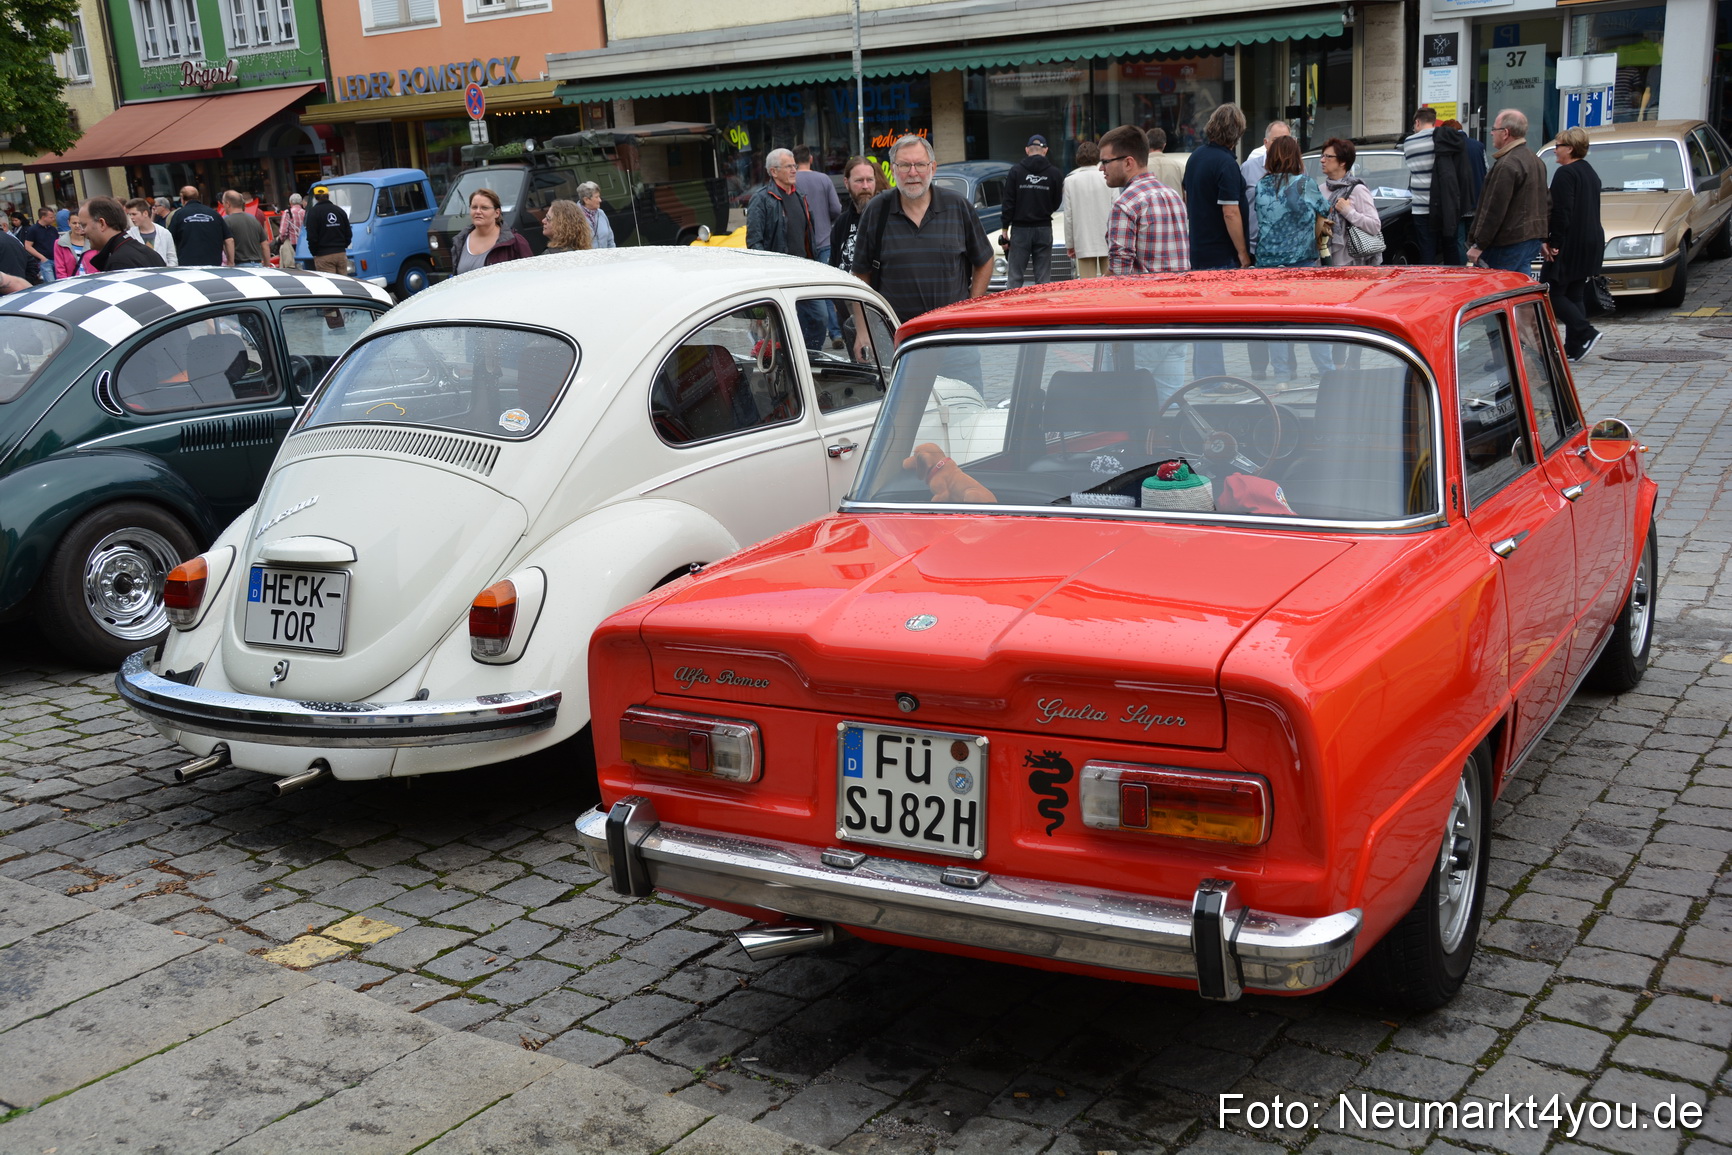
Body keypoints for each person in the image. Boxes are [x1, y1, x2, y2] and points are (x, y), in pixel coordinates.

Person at [851, 134, 993, 329]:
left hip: (953, 333)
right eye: (903, 165)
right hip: (898, 336)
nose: (912, 173)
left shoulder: (957, 207)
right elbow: (860, 274)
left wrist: (971, 308)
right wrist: (863, 331)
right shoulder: (876, 210)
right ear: (893, 170)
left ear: (932, 168)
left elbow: (984, 259)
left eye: (920, 164)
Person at [1543, 126, 1605, 361]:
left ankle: (1585, 331)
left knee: (1553, 292)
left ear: (1569, 148)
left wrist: (1553, 242)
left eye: (1558, 146)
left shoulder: (1565, 174)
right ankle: (1574, 346)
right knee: (1575, 292)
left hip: (1571, 241)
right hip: (1591, 240)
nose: (1555, 150)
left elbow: (1562, 212)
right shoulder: (1589, 171)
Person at [1467, 109, 1548, 273]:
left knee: (1494, 292)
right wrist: (1543, 237)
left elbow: (1494, 209)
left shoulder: (1507, 164)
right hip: (1529, 239)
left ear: (1505, 133)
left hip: (1508, 242)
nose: (1491, 133)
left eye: (1494, 129)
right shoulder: (1535, 160)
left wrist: (1479, 244)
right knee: (1518, 290)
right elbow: (1546, 201)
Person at [1101, 123, 1189, 275]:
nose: (1101, 168)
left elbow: (1119, 273)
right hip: (1181, 295)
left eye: (1105, 162)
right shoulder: (1174, 196)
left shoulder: (1125, 204)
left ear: (1128, 162)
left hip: (1143, 296)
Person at [1183, 103, 1252, 270]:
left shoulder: (1196, 156)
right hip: (1221, 256)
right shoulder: (1227, 164)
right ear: (1238, 132)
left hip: (1197, 250)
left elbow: (1186, 196)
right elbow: (1230, 212)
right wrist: (1243, 253)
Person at [1250, 137, 1328, 269]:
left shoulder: (1261, 184)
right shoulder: (1305, 183)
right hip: (1299, 259)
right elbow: (1325, 209)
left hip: (1266, 259)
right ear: (1296, 157)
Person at [1000, 133, 1064, 288]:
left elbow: (1008, 202)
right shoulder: (1054, 173)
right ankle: (1041, 309)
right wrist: (1044, 210)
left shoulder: (1016, 171)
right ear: (1045, 150)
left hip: (1020, 229)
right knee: (1043, 279)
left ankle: (1012, 309)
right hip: (1043, 228)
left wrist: (1004, 228)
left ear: (1027, 150)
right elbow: (1056, 202)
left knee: (1015, 276)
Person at [1318, 138, 1382, 267]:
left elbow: (1375, 226)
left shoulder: (1357, 190)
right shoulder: (1320, 189)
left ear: (1342, 162)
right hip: (1323, 258)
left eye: (1328, 156)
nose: (1322, 160)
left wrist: (1348, 212)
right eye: (1322, 155)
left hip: (1350, 262)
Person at [747, 148, 816, 259]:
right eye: (789, 167)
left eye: (795, 166)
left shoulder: (800, 195)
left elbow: (808, 237)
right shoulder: (761, 198)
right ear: (774, 171)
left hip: (804, 267)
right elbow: (754, 242)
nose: (794, 170)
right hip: (779, 270)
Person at [1062, 141, 1114, 278]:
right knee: (1111, 285)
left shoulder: (1070, 181)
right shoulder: (1108, 178)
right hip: (1108, 240)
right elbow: (1116, 209)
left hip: (1083, 240)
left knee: (1087, 287)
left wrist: (1070, 244)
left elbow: (1068, 216)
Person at [829, 155, 886, 275]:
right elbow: (833, 266)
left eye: (870, 180)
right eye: (859, 180)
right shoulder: (841, 223)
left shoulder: (887, 218)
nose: (865, 186)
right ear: (846, 182)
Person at [453, 187, 531, 274]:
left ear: (497, 213)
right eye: (474, 207)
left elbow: (529, 275)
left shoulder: (514, 242)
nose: (478, 211)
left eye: (484, 208)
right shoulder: (460, 241)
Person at [1428, 119, 1474, 266]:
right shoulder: (1478, 145)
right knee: (1471, 240)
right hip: (1474, 200)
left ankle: (1462, 271)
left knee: (1458, 241)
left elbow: (1449, 179)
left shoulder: (1444, 149)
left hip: (1457, 202)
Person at [81, 196, 167, 272]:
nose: (82, 232)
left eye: (84, 225)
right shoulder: (148, 252)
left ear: (102, 223)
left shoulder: (119, 263)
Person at [793, 146, 841, 264]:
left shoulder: (791, 181)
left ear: (793, 161)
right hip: (825, 241)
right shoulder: (824, 179)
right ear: (811, 159)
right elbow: (836, 209)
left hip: (801, 244)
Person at [1402, 107, 1438, 262]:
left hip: (1420, 204)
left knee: (1426, 247)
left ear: (1417, 122)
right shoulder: (1440, 139)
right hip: (1441, 203)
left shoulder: (1409, 142)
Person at [305, 185, 353, 275]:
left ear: (315, 197)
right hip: (340, 254)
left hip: (323, 256)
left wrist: (314, 252)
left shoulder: (313, 213)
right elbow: (348, 233)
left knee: (331, 285)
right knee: (345, 283)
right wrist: (343, 246)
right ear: (328, 195)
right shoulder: (339, 211)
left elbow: (312, 237)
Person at [221, 190, 268, 267]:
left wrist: (230, 263)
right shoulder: (254, 219)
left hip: (240, 266)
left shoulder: (225, 221)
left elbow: (229, 242)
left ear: (228, 204)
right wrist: (267, 265)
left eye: (223, 204)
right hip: (258, 264)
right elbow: (265, 244)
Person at [124, 198, 177, 265]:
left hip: (163, 273)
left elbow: (172, 258)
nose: (131, 217)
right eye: (130, 214)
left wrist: (168, 272)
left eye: (134, 214)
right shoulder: (129, 236)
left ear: (145, 213)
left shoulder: (164, 233)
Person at [21, 207, 58, 283]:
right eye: (51, 217)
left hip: (56, 259)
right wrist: (42, 258)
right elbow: (27, 246)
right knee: (51, 283)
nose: (53, 219)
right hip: (44, 261)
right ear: (43, 217)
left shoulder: (53, 229)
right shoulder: (33, 229)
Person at [577, 183, 615, 248]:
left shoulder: (601, 213)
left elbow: (610, 239)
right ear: (586, 200)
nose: (600, 200)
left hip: (605, 256)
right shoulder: (575, 216)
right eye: (596, 197)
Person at [277, 193, 305, 268]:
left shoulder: (288, 213)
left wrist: (281, 240)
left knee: (291, 267)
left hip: (292, 244)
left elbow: (283, 232)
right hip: (303, 245)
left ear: (290, 202)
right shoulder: (305, 212)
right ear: (301, 202)